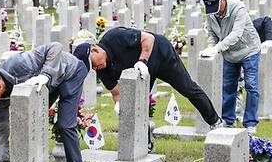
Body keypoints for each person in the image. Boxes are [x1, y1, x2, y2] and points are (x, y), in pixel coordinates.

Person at [74, 27, 223, 131]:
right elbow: (117, 93)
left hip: (160, 55)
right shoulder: (102, 70)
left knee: (187, 88)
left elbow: (148, 38)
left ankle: (215, 122)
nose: (94, 67)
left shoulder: (114, 36)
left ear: (95, 49)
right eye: (91, 67)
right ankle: (144, 140)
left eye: (92, 63)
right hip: (142, 73)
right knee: (138, 104)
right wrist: (120, 105)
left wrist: (143, 61)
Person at [201, 0, 261, 134]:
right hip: (229, 53)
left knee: (251, 86)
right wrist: (211, 48)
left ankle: (250, 123)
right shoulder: (211, 12)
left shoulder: (238, 8)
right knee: (228, 86)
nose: (215, 11)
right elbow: (211, 33)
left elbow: (237, 34)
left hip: (249, 50)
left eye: (216, 6)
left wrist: (217, 48)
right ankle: (228, 121)